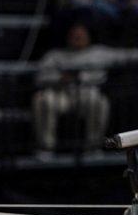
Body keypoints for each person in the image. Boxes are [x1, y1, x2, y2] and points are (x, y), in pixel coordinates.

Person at [32, 22, 137, 157]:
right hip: (60, 93)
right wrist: (59, 78)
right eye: (74, 35)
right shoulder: (55, 55)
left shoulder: (99, 52)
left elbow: (126, 56)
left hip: (86, 93)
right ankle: (45, 149)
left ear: (88, 36)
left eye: (81, 35)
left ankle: (92, 148)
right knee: (43, 99)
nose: (77, 38)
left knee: (98, 102)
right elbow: (39, 76)